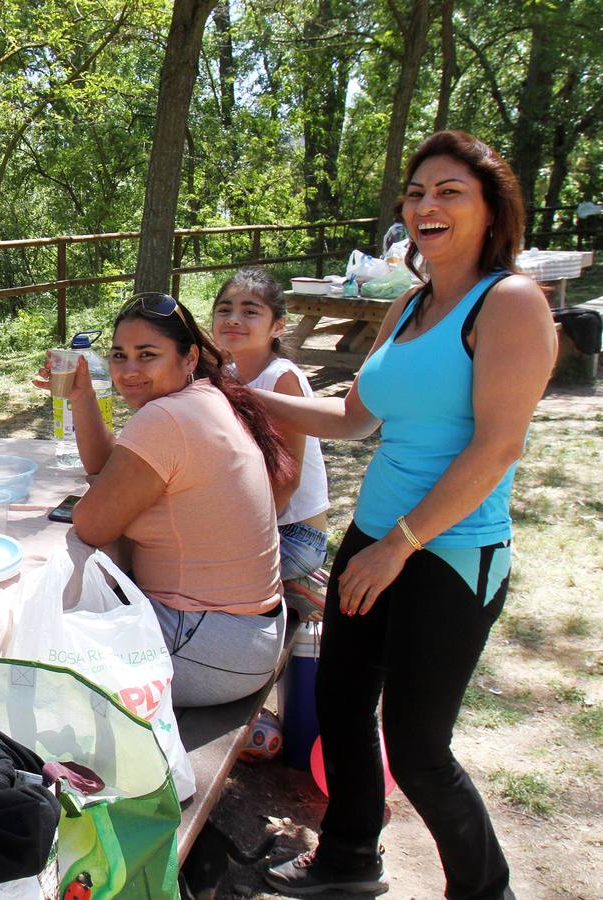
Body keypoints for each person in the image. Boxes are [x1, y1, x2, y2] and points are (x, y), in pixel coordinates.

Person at [261, 131, 555, 899]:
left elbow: (497, 449)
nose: (428, 205)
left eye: (450, 191)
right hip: (377, 538)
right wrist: (242, 394)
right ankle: (349, 858)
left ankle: (485, 890)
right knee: (340, 702)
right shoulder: (408, 304)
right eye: (418, 193)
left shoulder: (512, 303)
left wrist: (400, 545)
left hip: (449, 552)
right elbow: (352, 417)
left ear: (492, 211)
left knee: (420, 749)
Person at [37, 293, 296, 707]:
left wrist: (99, 497)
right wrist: (83, 397)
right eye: (119, 356)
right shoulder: (209, 396)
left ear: (189, 357)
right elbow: (111, 475)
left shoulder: (164, 419)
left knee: (33, 648)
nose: (129, 370)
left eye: (147, 355)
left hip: (207, 646)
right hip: (247, 635)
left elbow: (91, 524)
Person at [210, 268, 330, 590]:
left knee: (195, 573)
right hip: (259, 521)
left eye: (250, 311)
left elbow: (287, 480)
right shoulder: (229, 376)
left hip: (296, 535)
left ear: (278, 326)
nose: (233, 319)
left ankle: (297, 596)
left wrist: (245, 542)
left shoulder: (280, 379)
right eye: (224, 310)